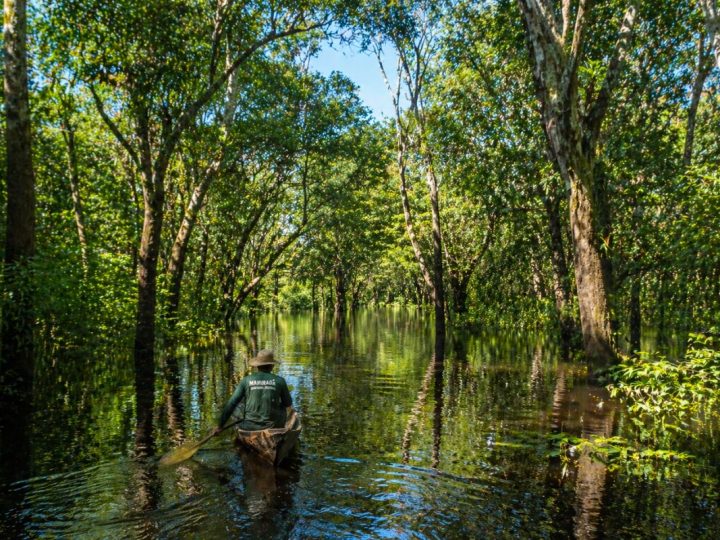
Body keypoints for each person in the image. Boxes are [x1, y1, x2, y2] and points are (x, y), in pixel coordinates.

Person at [216, 349, 293, 433]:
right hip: (273, 426)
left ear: (257, 365)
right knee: (283, 407)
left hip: (249, 427)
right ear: (272, 365)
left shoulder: (246, 380)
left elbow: (231, 403)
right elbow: (288, 403)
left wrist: (220, 426)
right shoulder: (280, 381)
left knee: (237, 408)